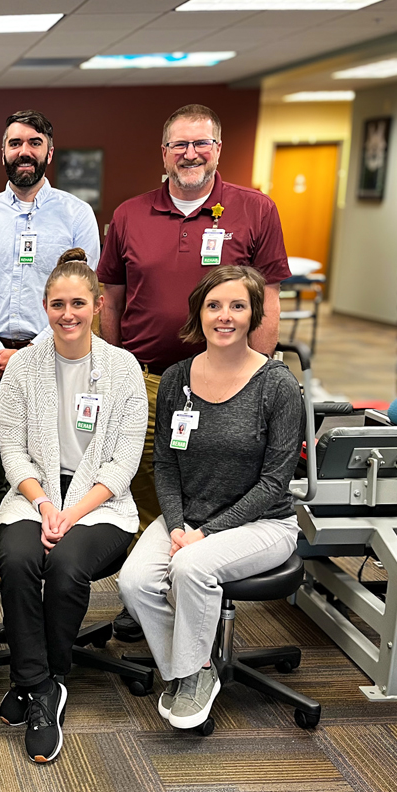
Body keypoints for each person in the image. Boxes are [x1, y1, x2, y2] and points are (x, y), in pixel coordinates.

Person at [98, 103, 289, 640]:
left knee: (219, 480)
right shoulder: (130, 214)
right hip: (147, 378)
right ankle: (146, 596)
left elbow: (269, 301)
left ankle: (197, 586)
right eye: (179, 144)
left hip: (228, 382)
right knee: (144, 485)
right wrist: (116, 369)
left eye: (201, 143)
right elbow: (112, 298)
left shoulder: (254, 210)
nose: (190, 153)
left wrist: (258, 375)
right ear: (163, 153)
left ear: (218, 149)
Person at [118, 265, 302, 731]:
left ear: (253, 314)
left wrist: (204, 534)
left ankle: (192, 673)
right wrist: (178, 525)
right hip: (188, 516)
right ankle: (194, 669)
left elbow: (274, 483)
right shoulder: (176, 379)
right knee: (134, 582)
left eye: (237, 306)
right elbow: (164, 464)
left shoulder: (277, 384)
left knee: (190, 567)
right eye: (214, 305)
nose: (225, 316)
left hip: (263, 523)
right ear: (198, 313)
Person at [0, 249, 146, 764]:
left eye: (78, 303)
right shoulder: (23, 367)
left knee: (64, 564)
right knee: (17, 559)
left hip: (101, 502)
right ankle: (42, 684)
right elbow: (12, 452)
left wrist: (71, 513)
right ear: (45, 306)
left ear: (98, 305)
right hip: (34, 494)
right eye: (57, 304)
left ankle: (41, 680)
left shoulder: (123, 369)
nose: (67, 314)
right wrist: (43, 504)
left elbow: (123, 464)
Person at [0, 110, 101, 598]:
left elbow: (85, 292)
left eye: (34, 142)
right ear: (3, 152)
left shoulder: (76, 215)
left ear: (49, 152)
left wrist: (34, 350)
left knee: (60, 455)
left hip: (61, 355)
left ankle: (57, 552)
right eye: (15, 143)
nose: (24, 151)